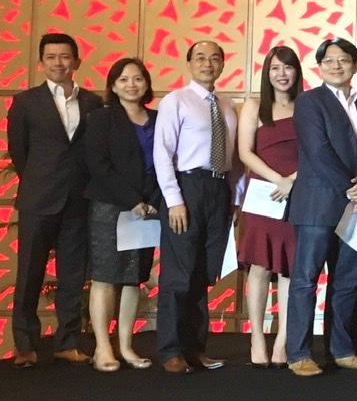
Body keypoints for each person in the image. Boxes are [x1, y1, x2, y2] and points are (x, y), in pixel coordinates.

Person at [7, 32, 104, 367]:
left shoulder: (92, 102)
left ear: (76, 62)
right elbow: (19, 154)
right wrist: (40, 182)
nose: (58, 63)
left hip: (78, 201)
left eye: (65, 57)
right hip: (38, 200)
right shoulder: (25, 102)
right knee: (29, 274)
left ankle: (67, 341)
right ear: (41, 62)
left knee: (73, 277)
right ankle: (25, 345)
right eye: (51, 57)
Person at [285, 37, 357, 377]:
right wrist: (350, 185)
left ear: (354, 65)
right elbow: (318, 150)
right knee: (306, 280)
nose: (336, 66)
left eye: (343, 60)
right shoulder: (310, 102)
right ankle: (298, 353)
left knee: (349, 279)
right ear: (319, 67)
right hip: (318, 204)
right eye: (329, 61)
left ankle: (342, 349)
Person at [153, 41, 239, 374]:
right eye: (200, 58)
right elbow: (163, 153)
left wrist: (232, 198)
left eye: (215, 58)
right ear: (189, 63)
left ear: (222, 64)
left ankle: (195, 348)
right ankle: (171, 350)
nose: (208, 63)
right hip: (186, 188)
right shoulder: (176, 101)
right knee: (178, 273)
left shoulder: (227, 105)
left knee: (203, 274)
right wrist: (174, 199)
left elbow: (232, 158)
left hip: (218, 189)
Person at [83, 57, 159, 372]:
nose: (132, 84)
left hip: (148, 207)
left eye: (138, 78)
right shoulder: (102, 118)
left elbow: (167, 161)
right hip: (110, 206)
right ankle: (103, 347)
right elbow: (98, 164)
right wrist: (131, 200)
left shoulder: (158, 117)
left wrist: (152, 199)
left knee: (133, 278)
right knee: (105, 276)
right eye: (124, 79)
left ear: (146, 83)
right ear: (113, 85)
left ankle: (126, 345)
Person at [236, 46, 302, 368]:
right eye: (275, 68)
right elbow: (245, 153)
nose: (281, 74)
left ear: (296, 72)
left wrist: (294, 180)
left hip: (298, 194)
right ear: (267, 72)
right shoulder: (253, 105)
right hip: (263, 194)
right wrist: (279, 180)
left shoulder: (307, 107)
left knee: (289, 268)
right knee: (260, 267)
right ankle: (257, 338)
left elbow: (319, 151)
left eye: (287, 68)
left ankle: (282, 340)